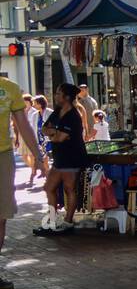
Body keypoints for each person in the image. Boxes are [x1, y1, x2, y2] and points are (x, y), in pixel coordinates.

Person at [0, 78, 44, 289]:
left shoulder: (10, 88)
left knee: (1, 217)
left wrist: (38, 155)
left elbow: (23, 125)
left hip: (3, 156)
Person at [39, 83, 89, 233]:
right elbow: (44, 129)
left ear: (66, 97)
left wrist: (53, 133)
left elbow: (60, 137)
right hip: (60, 157)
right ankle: (53, 220)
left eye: (58, 94)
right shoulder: (57, 111)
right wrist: (54, 133)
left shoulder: (73, 115)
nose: (56, 96)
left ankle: (68, 222)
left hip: (72, 156)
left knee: (69, 188)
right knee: (49, 187)